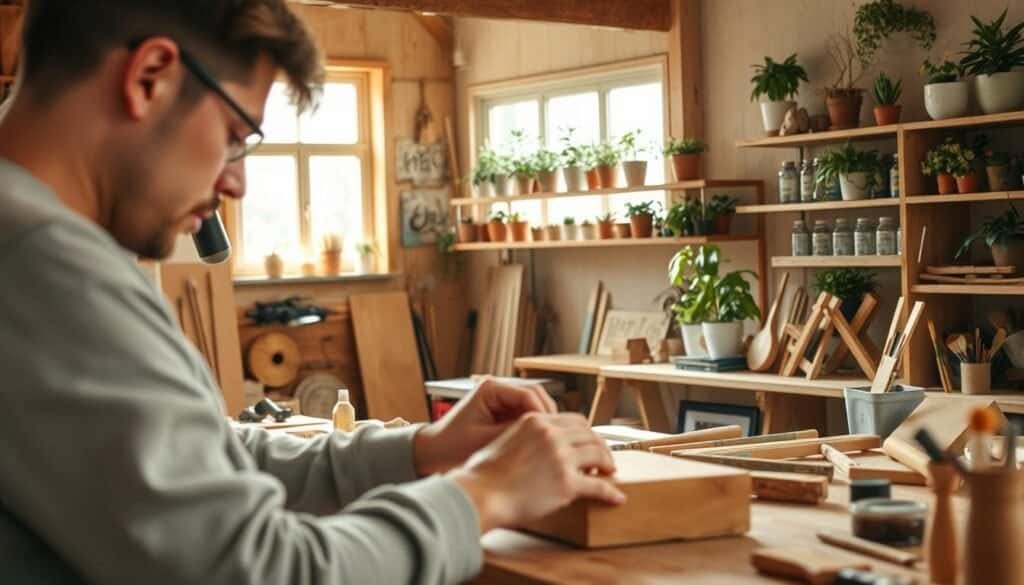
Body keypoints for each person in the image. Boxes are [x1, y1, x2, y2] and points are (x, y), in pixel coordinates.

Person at [0, 2, 625, 584]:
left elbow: (202, 459)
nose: (236, 182)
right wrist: (485, 495)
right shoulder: (40, 262)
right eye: (236, 135)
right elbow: (261, 572)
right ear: (150, 78)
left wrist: (419, 452)